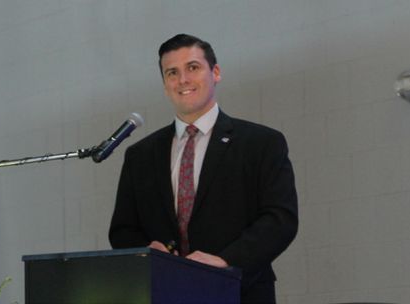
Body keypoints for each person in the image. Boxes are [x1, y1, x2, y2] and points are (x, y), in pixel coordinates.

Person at [109, 33, 298, 303]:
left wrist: (225, 260)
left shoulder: (261, 142)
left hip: (239, 291)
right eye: (172, 72)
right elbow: (122, 230)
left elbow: (280, 219)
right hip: (163, 292)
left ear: (216, 72)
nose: (183, 80)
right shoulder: (139, 155)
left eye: (193, 68)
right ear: (165, 84)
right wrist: (146, 251)